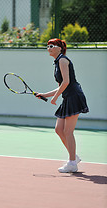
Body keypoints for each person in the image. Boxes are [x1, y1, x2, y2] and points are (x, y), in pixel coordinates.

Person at [36, 38, 89, 173]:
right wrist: (44, 94)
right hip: (68, 97)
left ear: (60, 48)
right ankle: (74, 157)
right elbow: (60, 86)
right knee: (59, 129)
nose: (49, 48)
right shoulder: (57, 62)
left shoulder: (63, 60)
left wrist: (54, 98)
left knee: (68, 131)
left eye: (52, 46)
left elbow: (66, 82)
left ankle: (72, 163)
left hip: (74, 97)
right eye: (47, 46)